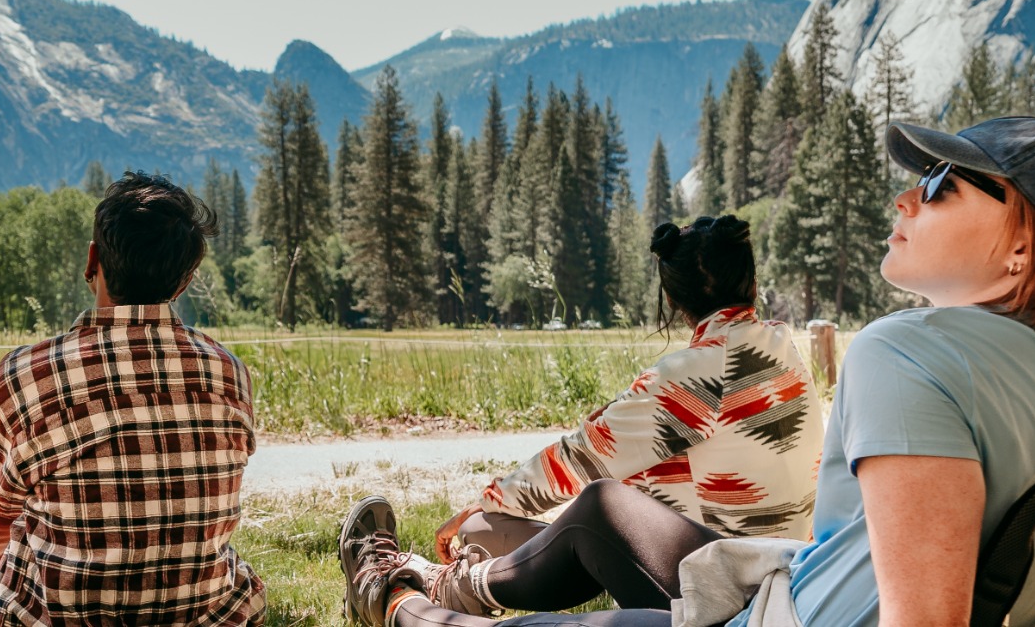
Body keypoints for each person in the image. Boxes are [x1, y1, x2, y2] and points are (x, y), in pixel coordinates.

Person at [341, 115, 1035, 627]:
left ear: (1023, 246)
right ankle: (405, 586)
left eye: (942, 184)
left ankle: (396, 592)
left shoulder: (906, 354)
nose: (908, 198)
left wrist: (486, 506)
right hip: (783, 587)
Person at [345, 215, 823, 622]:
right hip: (775, 574)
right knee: (521, 526)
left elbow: (580, 459)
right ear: (752, 283)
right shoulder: (783, 348)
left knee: (544, 518)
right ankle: (451, 583)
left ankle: (435, 589)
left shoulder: (696, 376)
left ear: (673, 301)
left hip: (721, 591)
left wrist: (488, 499)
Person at [0, 171, 265, 627]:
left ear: (92, 261)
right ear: (182, 283)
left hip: (49, 618)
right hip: (204, 616)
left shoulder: (26, 373)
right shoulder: (229, 373)